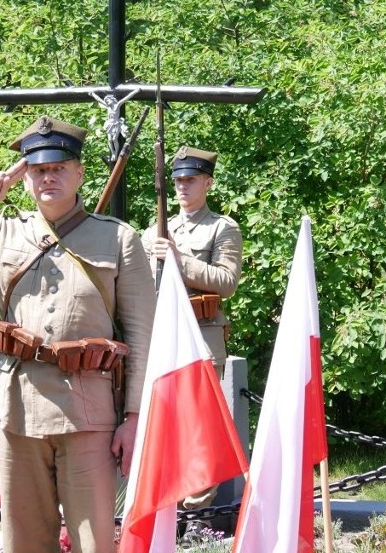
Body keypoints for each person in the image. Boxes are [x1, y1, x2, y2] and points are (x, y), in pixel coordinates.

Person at [0, 116, 155, 553]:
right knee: (24, 543)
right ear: (25, 177)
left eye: (59, 167)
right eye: (39, 170)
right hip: (18, 413)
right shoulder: (1, 232)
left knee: (95, 542)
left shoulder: (118, 238)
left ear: (79, 172)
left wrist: (135, 419)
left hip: (88, 416)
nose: (49, 177)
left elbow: (143, 334)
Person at [141, 146, 243, 542]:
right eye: (178, 180)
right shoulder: (155, 230)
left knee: (198, 429)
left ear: (207, 183)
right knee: (162, 424)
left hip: (201, 339)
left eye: (190, 180)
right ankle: (164, 506)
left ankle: (198, 514)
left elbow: (227, 282)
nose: (182, 186)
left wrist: (181, 260)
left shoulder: (222, 228)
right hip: (161, 338)